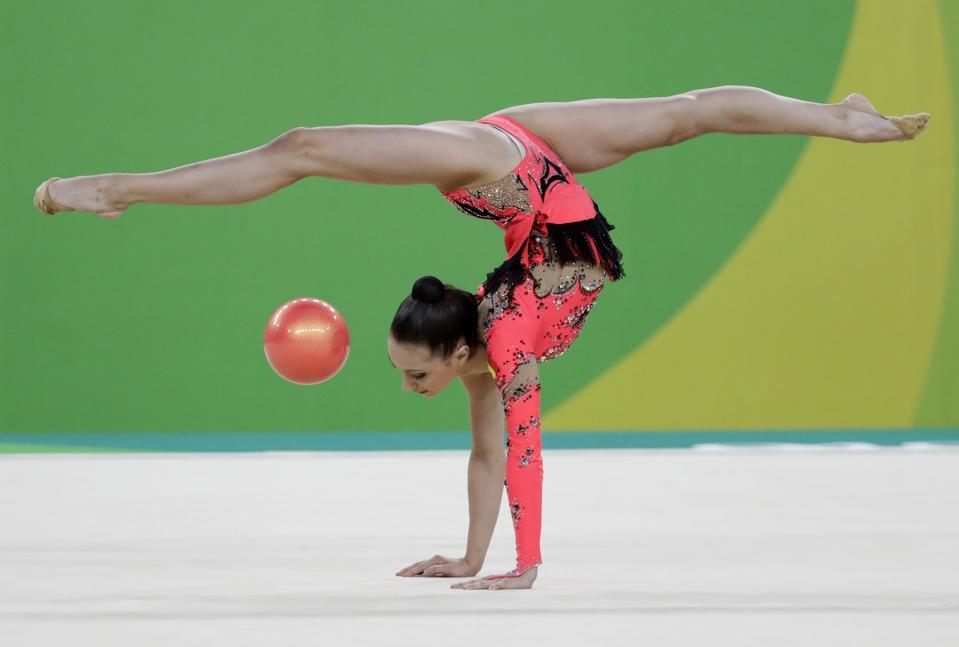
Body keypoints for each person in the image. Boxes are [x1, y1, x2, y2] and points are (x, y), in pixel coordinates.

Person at [33, 87, 929, 590]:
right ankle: (124, 188)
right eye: (412, 376)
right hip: (514, 159)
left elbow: (500, 452)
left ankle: (842, 119)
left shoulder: (499, 334)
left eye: (412, 374)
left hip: (509, 168)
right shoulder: (499, 339)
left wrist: (506, 561)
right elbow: (507, 450)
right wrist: (494, 560)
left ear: (458, 353)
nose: (410, 384)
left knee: (305, 145)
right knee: (682, 114)